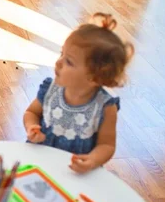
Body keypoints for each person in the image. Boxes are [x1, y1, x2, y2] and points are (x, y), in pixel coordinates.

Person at [23, 13, 134, 173]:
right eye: (62, 54)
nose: (58, 62)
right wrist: (32, 126)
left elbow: (107, 145)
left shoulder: (105, 108)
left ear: (94, 78)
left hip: (75, 172)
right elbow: (31, 112)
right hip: (39, 162)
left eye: (69, 61)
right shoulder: (50, 89)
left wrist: (92, 160)